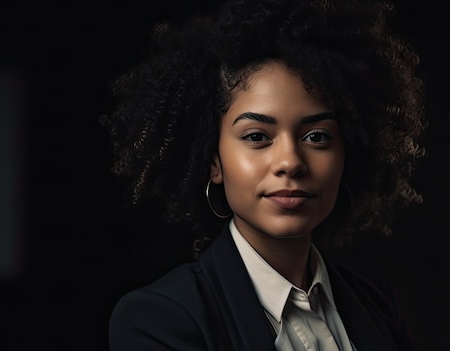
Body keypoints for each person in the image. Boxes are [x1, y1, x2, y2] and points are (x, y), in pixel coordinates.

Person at [102, 0, 426, 349]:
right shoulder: (159, 320)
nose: (290, 161)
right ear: (214, 161)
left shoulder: (376, 304)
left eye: (316, 136)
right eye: (257, 136)